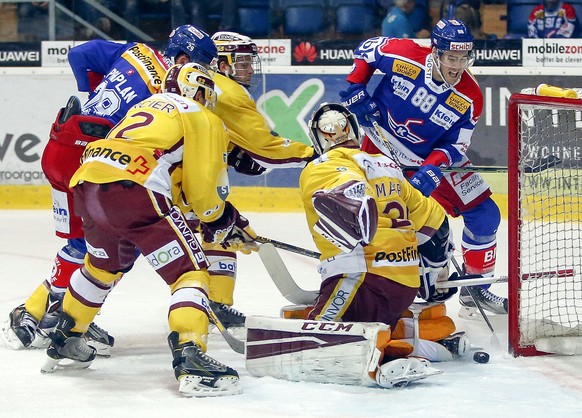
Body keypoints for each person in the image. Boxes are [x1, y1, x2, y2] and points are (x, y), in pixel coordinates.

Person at [0, 24, 218, 354]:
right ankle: (35, 311)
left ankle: (58, 312)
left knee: (89, 246)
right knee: (104, 250)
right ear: (185, 57)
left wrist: (90, 95)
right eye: (202, 63)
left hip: (62, 144)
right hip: (93, 163)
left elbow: (78, 54)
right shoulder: (169, 92)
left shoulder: (137, 51)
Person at [41, 62, 254, 398]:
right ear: (199, 90)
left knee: (101, 267)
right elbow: (202, 195)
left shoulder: (145, 106)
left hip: (87, 183)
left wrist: (225, 219)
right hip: (134, 188)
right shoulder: (202, 115)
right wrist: (223, 219)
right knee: (191, 272)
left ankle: (66, 335)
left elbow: (174, 184)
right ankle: (190, 355)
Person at [244, 102, 456, 389]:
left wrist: (356, 207)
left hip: (360, 278)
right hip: (403, 281)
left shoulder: (321, 166)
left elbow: (350, 189)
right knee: (369, 319)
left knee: (314, 341)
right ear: (354, 131)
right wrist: (435, 272)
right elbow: (435, 221)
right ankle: (433, 336)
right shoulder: (387, 166)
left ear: (317, 139)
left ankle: (386, 354)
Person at [338, 19, 507, 315]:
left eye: (464, 59)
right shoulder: (404, 54)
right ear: (435, 52)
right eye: (451, 58)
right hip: (380, 145)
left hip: (428, 160)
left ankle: (475, 288)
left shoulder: (470, 96)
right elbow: (366, 51)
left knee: (485, 214)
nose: (458, 66)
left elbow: (456, 145)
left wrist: (433, 167)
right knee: (377, 217)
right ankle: (363, 275)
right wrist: (356, 86)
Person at [201, 31, 317, 328]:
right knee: (139, 250)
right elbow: (266, 149)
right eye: (242, 62)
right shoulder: (229, 91)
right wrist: (312, 154)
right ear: (222, 62)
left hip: (184, 176)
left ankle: (215, 306)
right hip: (181, 182)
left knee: (219, 235)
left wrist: (231, 152)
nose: (250, 69)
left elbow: (206, 130)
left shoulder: (208, 84)